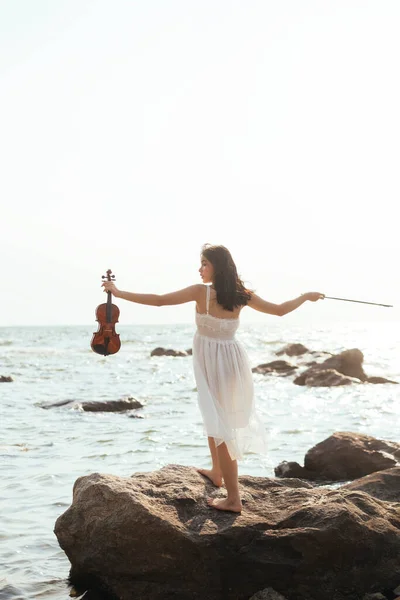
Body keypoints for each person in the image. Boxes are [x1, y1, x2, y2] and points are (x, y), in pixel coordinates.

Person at [102, 244, 324, 513]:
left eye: (204, 263)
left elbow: (159, 300)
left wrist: (119, 293)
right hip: (229, 358)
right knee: (213, 415)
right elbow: (279, 309)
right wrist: (305, 296)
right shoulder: (239, 295)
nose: (200, 269)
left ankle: (234, 499)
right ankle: (217, 471)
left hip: (218, 360)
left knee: (222, 426)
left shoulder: (202, 293)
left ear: (217, 265)